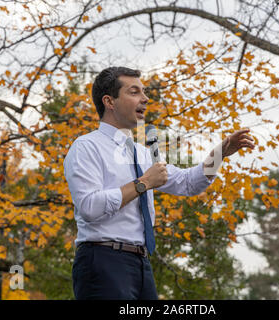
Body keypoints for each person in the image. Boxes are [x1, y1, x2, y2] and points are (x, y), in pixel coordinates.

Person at [63, 66, 255, 300]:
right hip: (103, 262)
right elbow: (89, 207)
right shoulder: (86, 147)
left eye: (144, 92)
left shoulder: (143, 154)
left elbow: (188, 183)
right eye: (134, 92)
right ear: (109, 101)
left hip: (141, 264)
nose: (145, 98)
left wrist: (220, 153)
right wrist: (143, 183)